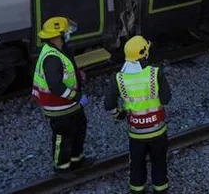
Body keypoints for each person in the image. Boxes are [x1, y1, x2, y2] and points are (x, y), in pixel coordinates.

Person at [104, 35, 172, 193]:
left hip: (136, 134)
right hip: (158, 130)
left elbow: (109, 104)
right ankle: (160, 189)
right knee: (159, 161)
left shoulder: (119, 78)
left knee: (137, 164)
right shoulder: (156, 73)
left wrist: (118, 114)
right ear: (144, 54)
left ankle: (137, 190)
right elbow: (166, 99)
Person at [30, 16, 94, 179]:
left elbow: (66, 69)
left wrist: (78, 75)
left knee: (79, 128)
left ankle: (76, 159)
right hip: (58, 106)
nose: (68, 34)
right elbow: (55, 86)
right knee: (63, 136)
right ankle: (61, 167)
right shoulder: (51, 57)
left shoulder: (61, 49)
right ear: (57, 35)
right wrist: (76, 97)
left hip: (69, 104)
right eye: (66, 32)